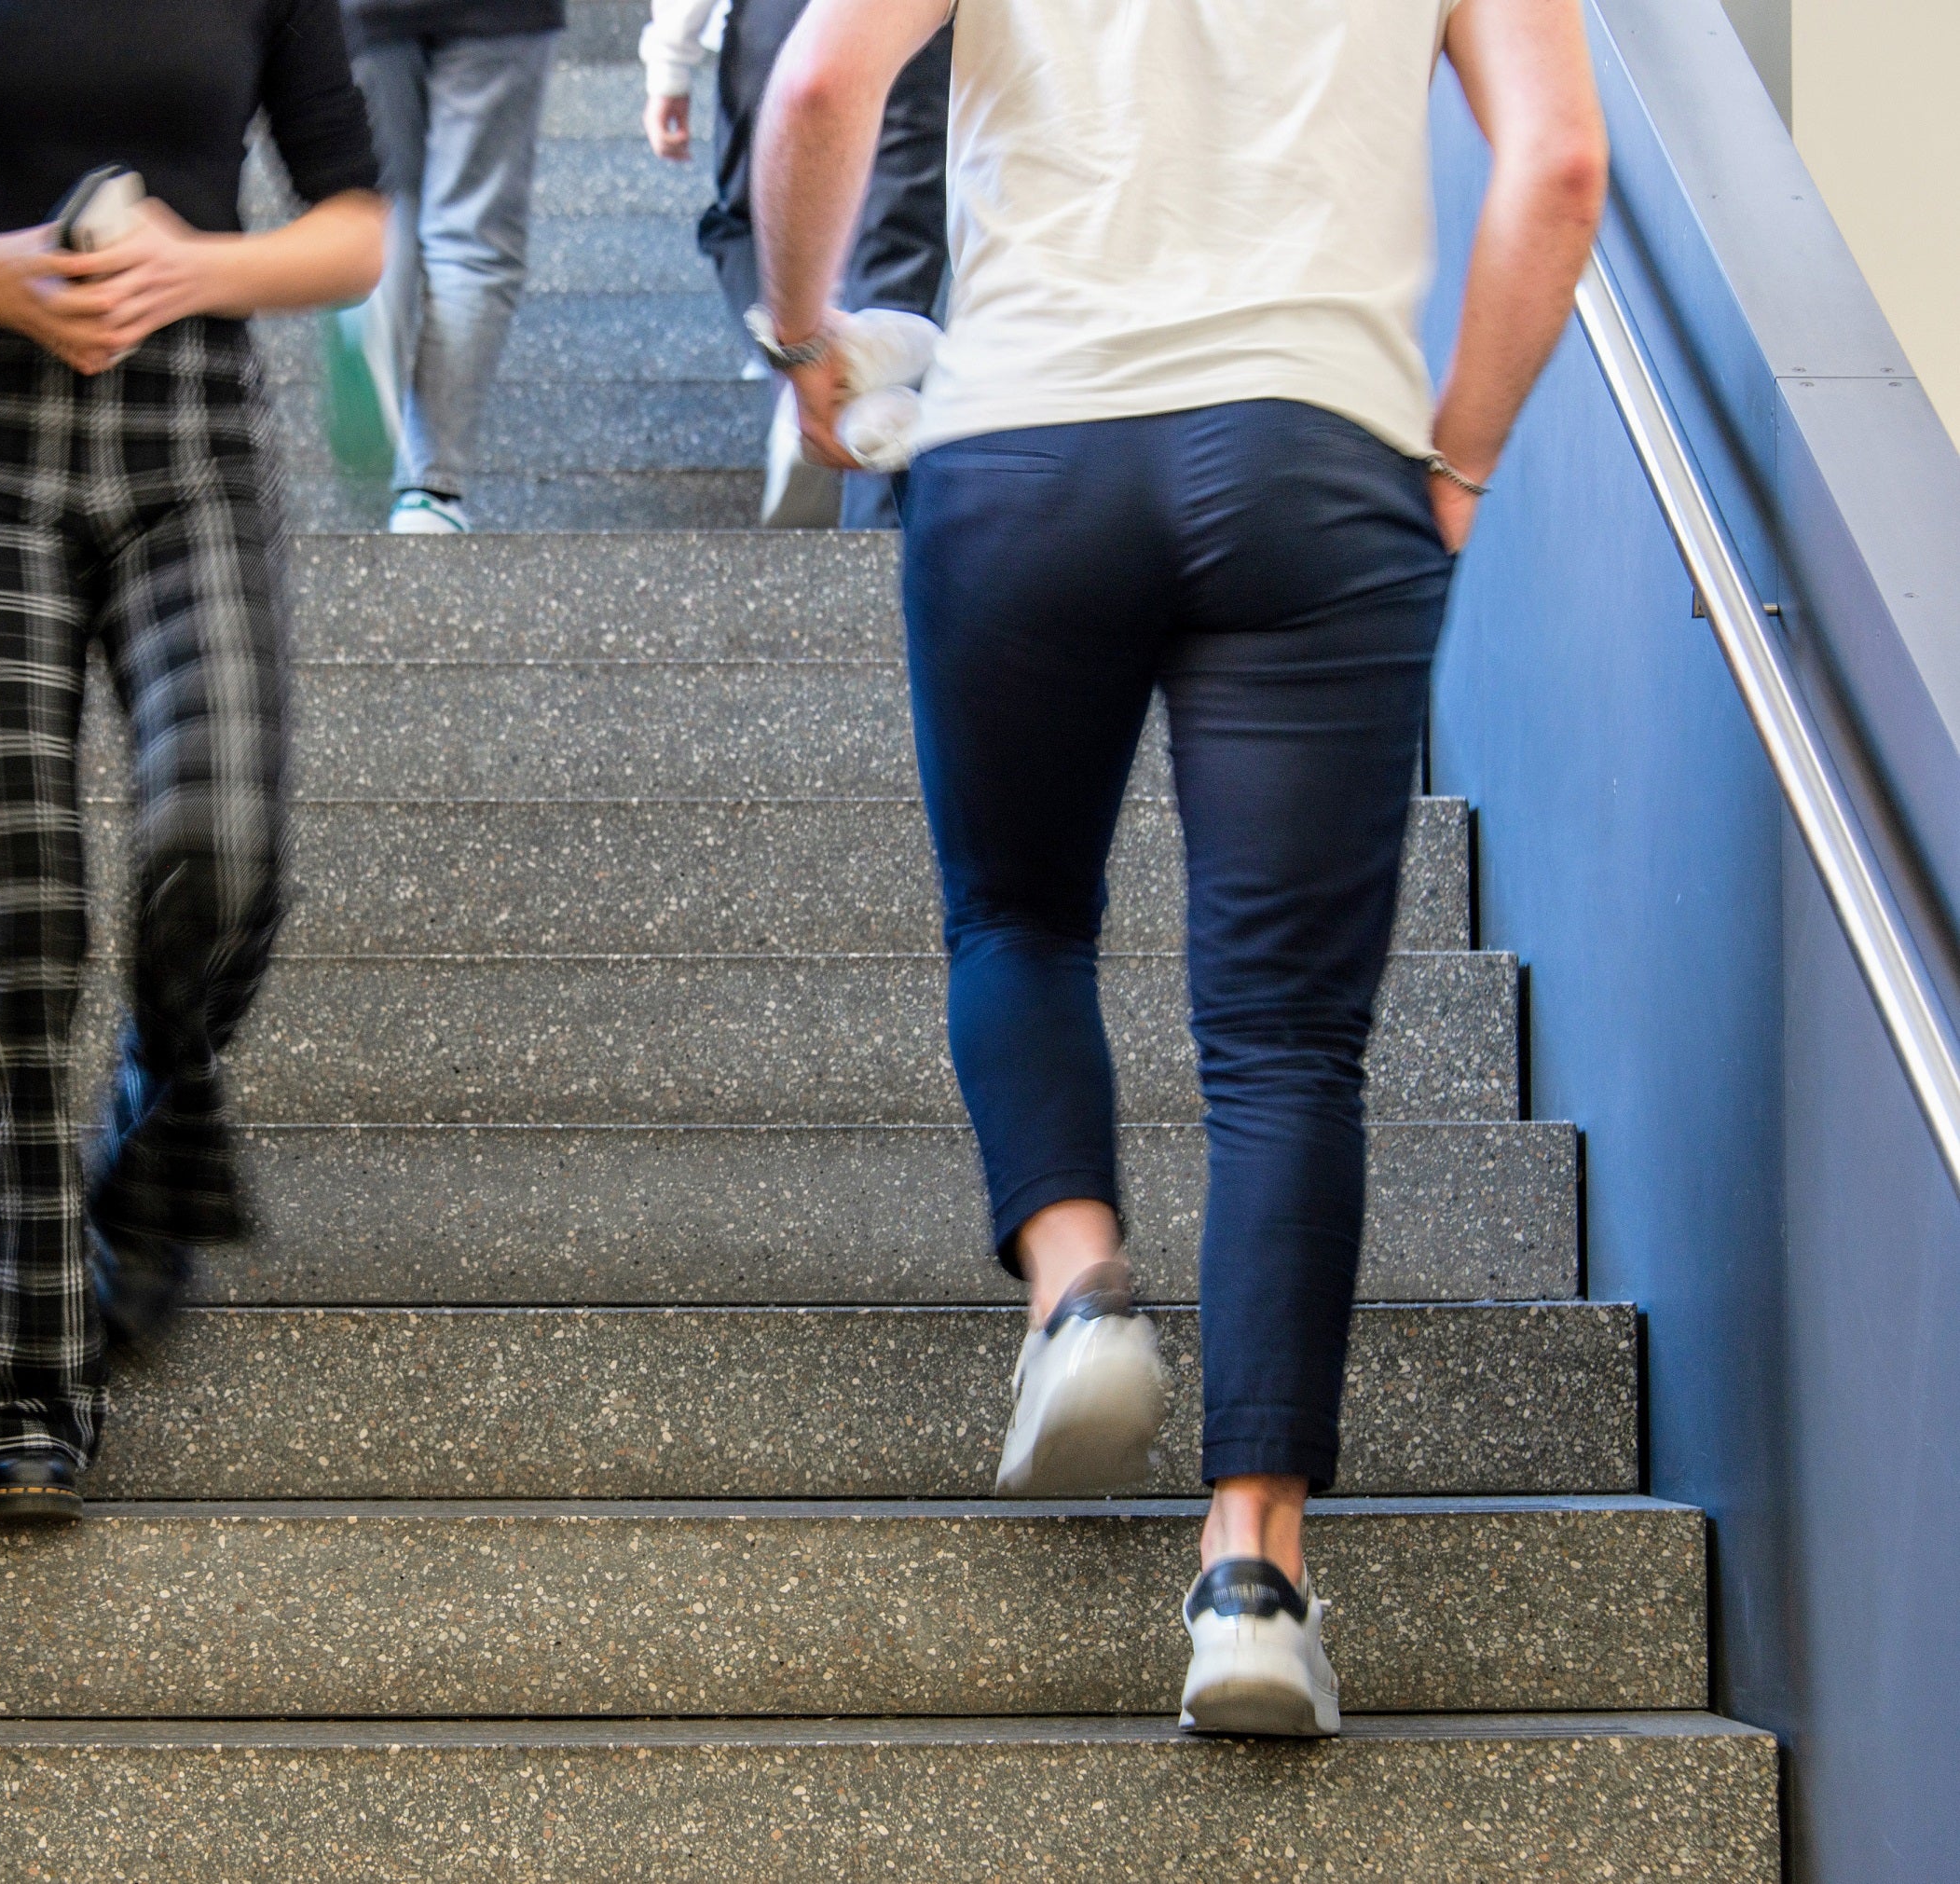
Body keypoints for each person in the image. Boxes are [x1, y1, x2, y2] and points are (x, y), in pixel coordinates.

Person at [754, 0, 1605, 1734]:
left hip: (1026, 446)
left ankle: (1077, 1297)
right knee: (1286, 1044)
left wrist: (798, 336)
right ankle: (1250, 1581)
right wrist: (1465, 444)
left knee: (1016, 913)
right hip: (1314, 458)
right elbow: (1561, 164)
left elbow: (824, 78)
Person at [0, 0, 384, 1520]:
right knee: (16, 908)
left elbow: (358, 228)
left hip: (190, 434)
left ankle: (150, 1117)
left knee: (220, 849)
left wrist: (199, 267)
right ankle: (15, 1377)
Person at [642, 0, 947, 528]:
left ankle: (800, 373)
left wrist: (670, 54)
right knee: (893, 283)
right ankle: (874, 541)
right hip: (918, 28)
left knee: (745, 223)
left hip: (777, 21)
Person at [340, 0, 559, 534]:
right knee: (473, 234)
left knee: (381, 202)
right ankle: (429, 493)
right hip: (500, 18)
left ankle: (371, 308)